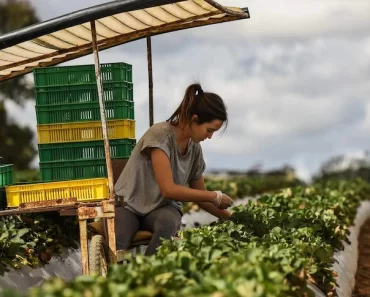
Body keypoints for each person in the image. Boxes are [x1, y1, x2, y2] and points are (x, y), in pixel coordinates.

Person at [114, 82, 234, 256]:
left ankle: (148, 273)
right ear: (194, 120)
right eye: (209, 130)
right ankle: (115, 278)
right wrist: (214, 196)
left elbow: (201, 197)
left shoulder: (194, 149)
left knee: (169, 223)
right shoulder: (160, 135)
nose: (209, 136)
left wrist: (231, 217)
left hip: (160, 209)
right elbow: (168, 189)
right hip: (128, 205)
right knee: (118, 241)